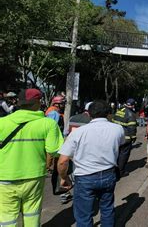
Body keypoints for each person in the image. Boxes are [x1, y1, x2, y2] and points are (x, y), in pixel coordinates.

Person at [0, 89, 64, 226]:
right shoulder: (48, 124)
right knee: (32, 213)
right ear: (37, 102)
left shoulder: (2, 122)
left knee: (7, 217)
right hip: (34, 177)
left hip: (5, 178)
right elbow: (55, 151)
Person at [57, 100, 125, 227]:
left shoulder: (78, 132)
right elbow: (120, 145)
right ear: (108, 114)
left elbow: (63, 161)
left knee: (84, 214)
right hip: (108, 174)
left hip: (84, 177)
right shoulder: (118, 129)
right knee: (107, 209)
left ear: (88, 114)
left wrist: (64, 178)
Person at [113, 98, 137, 177]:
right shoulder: (131, 114)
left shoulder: (119, 110)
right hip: (126, 138)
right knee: (123, 155)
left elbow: (113, 121)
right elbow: (132, 127)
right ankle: (120, 172)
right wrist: (133, 137)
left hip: (116, 136)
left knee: (116, 154)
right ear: (133, 105)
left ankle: (114, 170)